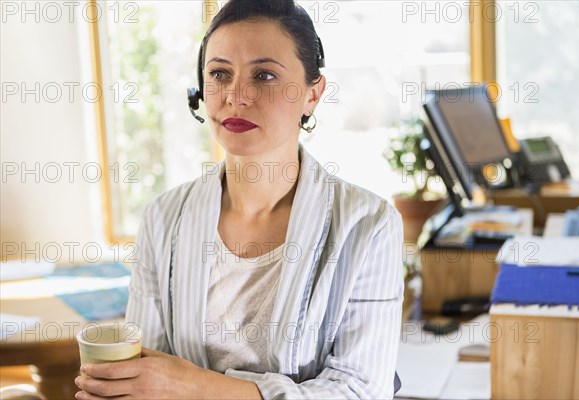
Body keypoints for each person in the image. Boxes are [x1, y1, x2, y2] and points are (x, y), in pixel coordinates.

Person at [74, 0, 404, 399]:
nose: (236, 95)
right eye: (219, 74)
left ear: (312, 94)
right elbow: (149, 372)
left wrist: (196, 387)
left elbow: (360, 391)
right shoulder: (162, 218)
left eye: (264, 75)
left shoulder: (368, 224)